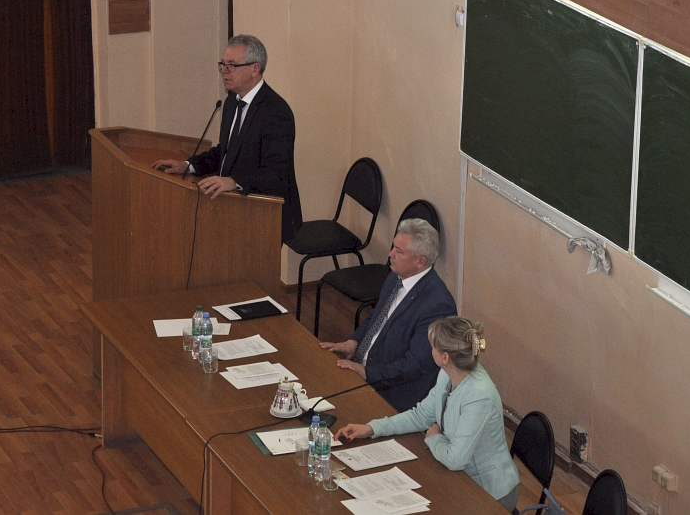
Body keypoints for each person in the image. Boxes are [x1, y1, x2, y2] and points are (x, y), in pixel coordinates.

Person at [334, 317, 520, 512]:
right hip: (456, 476)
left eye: (432, 346)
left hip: (487, 493)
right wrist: (372, 428)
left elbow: (455, 459)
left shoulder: (479, 396)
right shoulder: (448, 373)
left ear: (445, 357)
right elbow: (421, 416)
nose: (430, 349)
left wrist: (434, 438)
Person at [151, 34, 302, 243]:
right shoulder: (232, 103)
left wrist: (233, 181)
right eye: (223, 64)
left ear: (255, 69)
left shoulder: (276, 112)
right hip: (229, 211)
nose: (224, 70)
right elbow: (226, 152)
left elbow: (275, 173)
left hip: (263, 216)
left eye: (232, 65)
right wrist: (188, 165)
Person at [319, 218, 457, 412]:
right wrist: (354, 342)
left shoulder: (438, 306)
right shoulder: (396, 276)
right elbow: (377, 316)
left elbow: (414, 365)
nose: (390, 254)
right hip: (364, 368)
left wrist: (367, 373)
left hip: (392, 392)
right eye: (393, 247)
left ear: (420, 261)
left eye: (399, 251)